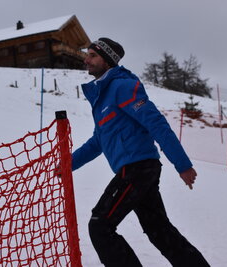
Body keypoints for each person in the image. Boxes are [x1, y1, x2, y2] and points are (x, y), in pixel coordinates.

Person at [71, 38, 210, 267]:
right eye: (87, 55)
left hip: (137, 168)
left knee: (100, 225)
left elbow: (156, 124)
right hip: (138, 169)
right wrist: (68, 163)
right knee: (159, 230)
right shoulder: (102, 97)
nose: (87, 60)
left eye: (93, 56)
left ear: (108, 60)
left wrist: (182, 164)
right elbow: (98, 141)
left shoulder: (122, 86)